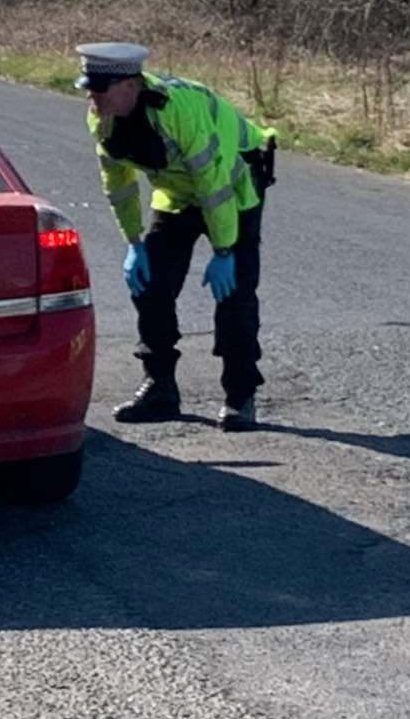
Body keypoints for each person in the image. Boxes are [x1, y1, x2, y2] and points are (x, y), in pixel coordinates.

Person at [76, 42, 278, 431]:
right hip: (176, 195)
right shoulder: (100, 118)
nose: (91, 96)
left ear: (131, 86)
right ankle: (160, 387)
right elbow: (117, 183)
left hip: (234, 189)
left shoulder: (178, 111)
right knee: (150, 285)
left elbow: (213, 183)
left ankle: (240, 395)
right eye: (88, 88)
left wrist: (223, 251)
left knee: (234, 295)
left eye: (99, 89)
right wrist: (134, 243)